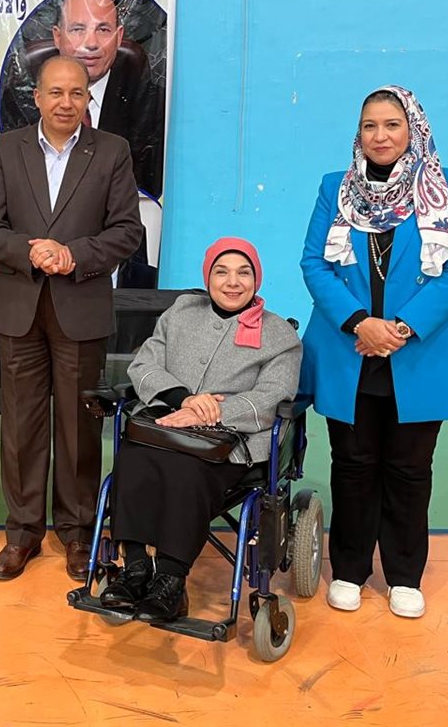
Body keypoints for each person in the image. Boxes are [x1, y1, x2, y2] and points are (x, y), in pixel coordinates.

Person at [299, 85, 448, 619]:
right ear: (358, 133)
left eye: (392, 124)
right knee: (352, 464)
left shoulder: (447, 186)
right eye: (370, 125)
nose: (380, 136)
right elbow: (314, 263)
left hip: (418, 351)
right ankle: (349, 569)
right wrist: (361, 322)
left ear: (414, 130)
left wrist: (400, 328)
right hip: (349, 347)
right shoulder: (335, 187)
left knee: (409, 467)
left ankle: (404, 574)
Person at [0, 55, 142, 582]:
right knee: (20, 426)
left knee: (78, 427)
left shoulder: (111, 151)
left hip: (81, 306)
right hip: (19, 307)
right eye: (56, 92)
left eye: (76, 93)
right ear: (37, 98)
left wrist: (73, 255)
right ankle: (22, 532)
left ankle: (77, 532)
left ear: (88, 98)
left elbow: (127, 231)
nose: (66, 102)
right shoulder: (7, 149)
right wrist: (33, 252)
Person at [99, 238, 302, 621]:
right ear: (208, 277)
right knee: (134, 459)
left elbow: (274, 395)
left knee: (186, 470)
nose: (233, 282)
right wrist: (183, 400)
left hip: (230, 443)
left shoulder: (279, 335)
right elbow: (144, 365)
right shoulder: (180, 312)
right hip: (166, 425)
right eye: (221, 272)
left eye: (243, 273)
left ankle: (171, 581)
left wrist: (214, 412)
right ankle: (135, 570)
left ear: (256, 279)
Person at [0, 0, 166, 200]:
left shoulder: (153, 107)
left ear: (119, 37)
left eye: (103, 30)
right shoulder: (20, 102)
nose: (91, 44)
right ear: (57, 37)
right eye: (78, 29)